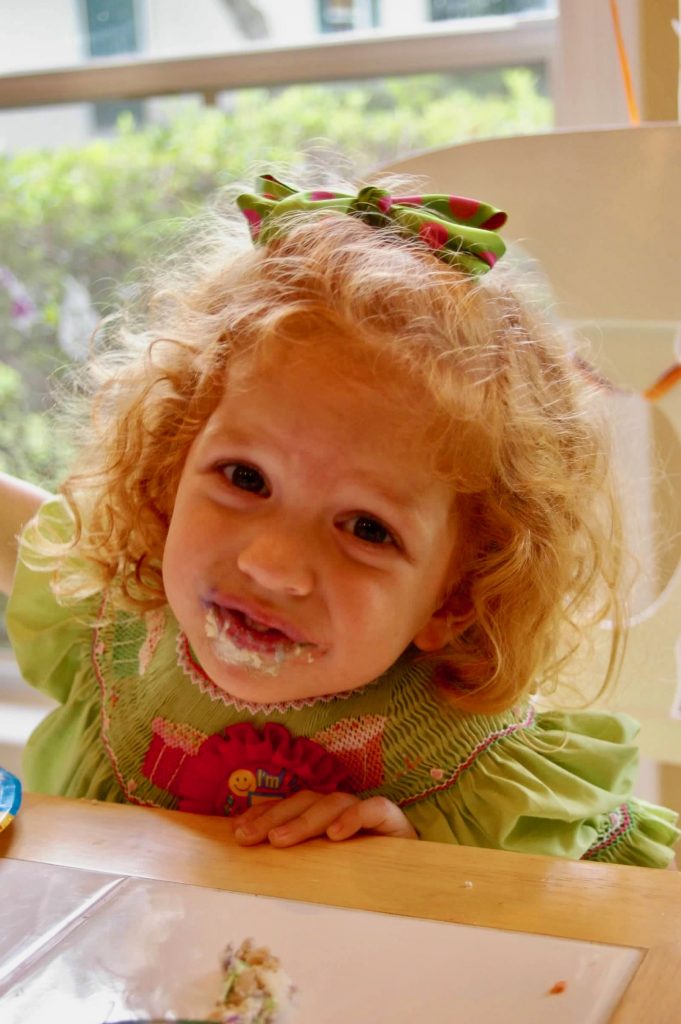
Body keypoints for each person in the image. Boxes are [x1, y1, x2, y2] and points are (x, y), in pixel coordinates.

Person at [2, 173, 678, 866]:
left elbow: (625, 921)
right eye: (245, 478)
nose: (272, 563)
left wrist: (422, 874)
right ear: (172, 466)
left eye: (365, 529)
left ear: (455, 597)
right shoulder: (120, 625)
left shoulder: (476, 771)